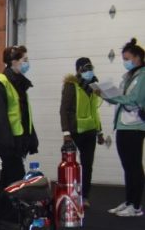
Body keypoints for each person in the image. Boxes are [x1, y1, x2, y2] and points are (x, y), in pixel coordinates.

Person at [0, 45, 39, 230]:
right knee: (14, 179)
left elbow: (23, 115)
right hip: (9, 142)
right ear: (13, 61)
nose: (27, 64)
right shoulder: (0, 84)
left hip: (18, 139)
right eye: (24, 60)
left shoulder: (19, 83)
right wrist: (8, 143)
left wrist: (30, 138)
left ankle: (3, 218)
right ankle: (9, 218)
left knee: (9, 179)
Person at [102, 38, 145, 217]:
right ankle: (128, 201)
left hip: (135, 126)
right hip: (123, 125)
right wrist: (104, 94)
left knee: (134, 165)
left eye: (127, 58)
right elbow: (120, 97)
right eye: (124, 59)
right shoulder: (129, 77)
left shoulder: (142, 76)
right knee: (127, 166)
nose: (125, 62)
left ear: (138, 58)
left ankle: (135, 206)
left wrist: (116, 97)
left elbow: (134, 100)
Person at [59, 57, 104, 207]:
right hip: (74, 131)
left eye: (91, 68)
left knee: (87, 165)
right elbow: (64, 110)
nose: (89, 71)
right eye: (86, 68)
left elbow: (94, 111)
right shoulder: (71, 86)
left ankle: (84, 197)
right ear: (78, 69)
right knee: (70, 165)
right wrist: (66, 133)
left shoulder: (93, 87)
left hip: (90, 131)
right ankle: (69, 195)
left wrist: (99, 131)